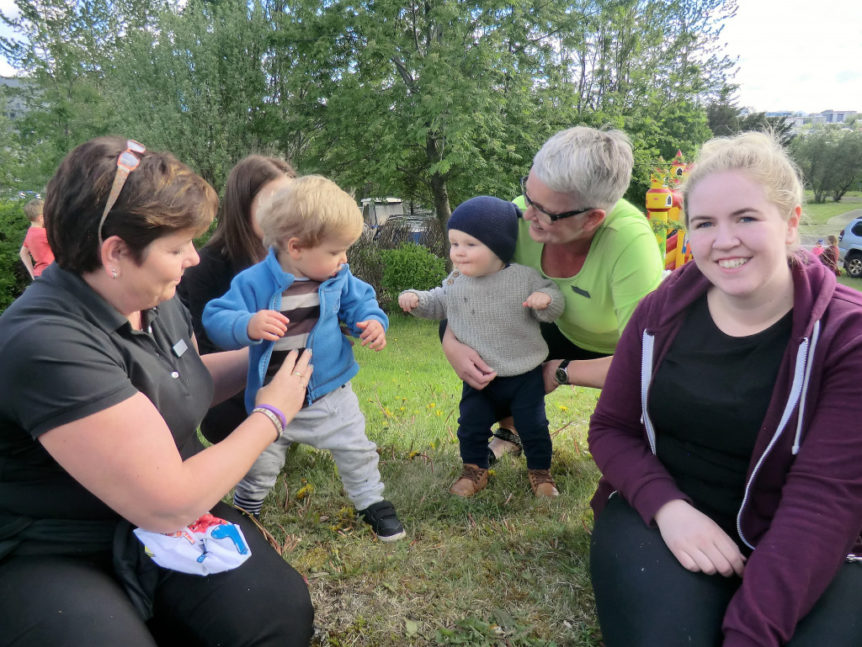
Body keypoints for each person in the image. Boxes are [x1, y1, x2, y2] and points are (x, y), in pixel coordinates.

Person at [0, 136, 314, 645]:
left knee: (273, 613)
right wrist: (271, 416)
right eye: (176, 247)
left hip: (158, 529)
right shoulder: (47, 343)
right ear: (116, 252)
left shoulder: (154, 299)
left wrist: (269, 359)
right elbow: (171, 502)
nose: (193, 258)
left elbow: (182, 380)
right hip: (54, 542)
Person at [588, 131, 862, 646]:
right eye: (705, 223)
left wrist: (750, 633)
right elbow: (611, 429)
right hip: (669, 515)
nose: (723, 240)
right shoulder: (659, 313)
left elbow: (824, 500)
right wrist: (668, 508)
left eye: (746, 218)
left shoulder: (847, 337)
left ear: (791, 223)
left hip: (807, 538)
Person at [441, 126, 664, 460]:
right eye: (528, 194)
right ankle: (511, 430)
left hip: (615, 346)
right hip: (551, 325)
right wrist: (452, 345)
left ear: (592, 219)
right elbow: (461, 289)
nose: (526, 213)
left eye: (544, 210)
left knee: (651, 407)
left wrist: (562, 371)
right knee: (482, 329)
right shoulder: (516, 215)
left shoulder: (630, 242)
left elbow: (648, 360)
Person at [202, 175, 406, 541]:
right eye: (336, 251)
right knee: (259, 461)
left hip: (329, 392)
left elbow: (361, 302)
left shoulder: (338, 277)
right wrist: (247, 324)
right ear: (295, 247)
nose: (344, 259)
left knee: (356, 449)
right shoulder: (253, 283)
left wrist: (373, 322)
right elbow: (215, 317)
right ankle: (247, 509)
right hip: (273, 397)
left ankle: (371, 501)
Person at [399, 196, 564, 497]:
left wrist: (546, 301)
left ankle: (541, 474)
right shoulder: (457, 280)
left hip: (524, 374)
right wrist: (416, 299)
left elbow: (553, 305)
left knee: (534, 427)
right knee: (470, 425)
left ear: (498, 246)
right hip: (480, 376)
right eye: (454, 244)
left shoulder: (523, 278)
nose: (458, 252)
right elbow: (438, 301)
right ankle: (474, 470)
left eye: (469, 244)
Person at [177, 155, 296, 443]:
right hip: (230, 406)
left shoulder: (294, 260)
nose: (286, 213)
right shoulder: (204, 267)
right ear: (244, 206)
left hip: (286, 393)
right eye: (274, 202)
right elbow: (203, 360)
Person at [17, 197, 55, 279]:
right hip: (52, 275)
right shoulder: (45, 233)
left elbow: (23, 253)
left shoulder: (30, 234)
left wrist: (33, 274)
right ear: (41, 217)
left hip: (39, 275)